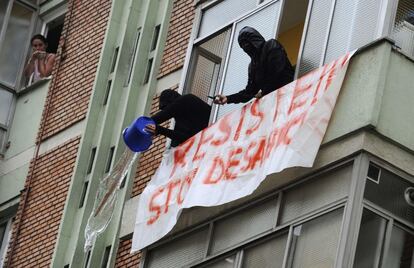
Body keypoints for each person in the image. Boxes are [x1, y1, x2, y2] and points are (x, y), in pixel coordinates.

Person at [214, 26, 294, 104]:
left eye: (245, 43)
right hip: (273, 102)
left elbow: (277, 72)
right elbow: (249, 92)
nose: (244, 47)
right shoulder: (252, 66)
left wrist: (263, 93)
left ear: (254, 39)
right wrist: (228, 98)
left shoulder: (270, 45)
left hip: (290, 92)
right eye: (242, 45)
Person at [145, 89, 211, 147]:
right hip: (208, 139)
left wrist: (145, 123)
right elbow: (183, 138)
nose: (167, 110)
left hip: (212, 130)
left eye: (166, 107)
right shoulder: (182, 120)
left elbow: (166, 113)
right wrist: (159, 129)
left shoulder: (186, 99)